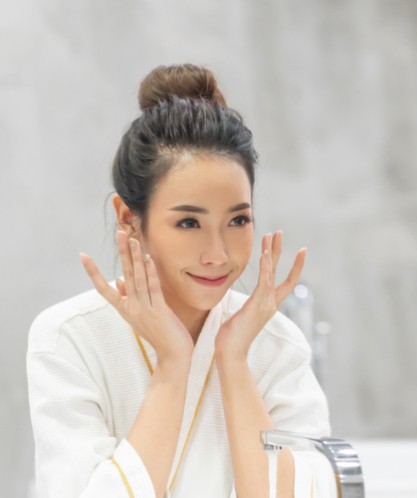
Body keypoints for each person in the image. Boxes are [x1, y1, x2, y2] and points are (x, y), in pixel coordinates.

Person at [27, 65, 333, 497]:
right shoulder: (70, 337)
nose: (218, 254)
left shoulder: (276, 346)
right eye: (189, 222)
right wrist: (174, 364)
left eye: (238, 220)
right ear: (129, 220)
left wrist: (234, 357)